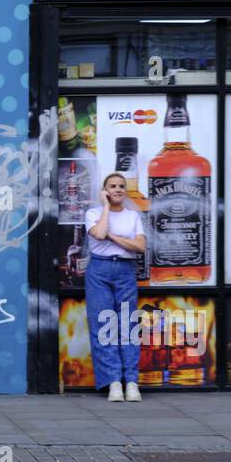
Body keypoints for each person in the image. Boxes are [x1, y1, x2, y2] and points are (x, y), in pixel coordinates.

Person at [84, 172, 147, 402]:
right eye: (112, 186)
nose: (118, 189)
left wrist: (111, 236)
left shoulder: (133, 216)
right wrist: (105, 207)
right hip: (99, 270)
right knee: (104, 325)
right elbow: (98, 233)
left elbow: (140, 247)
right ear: (105, 190)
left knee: (128, 325)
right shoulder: (93, 213)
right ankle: (113, 383)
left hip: (125, 270)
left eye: (121, 186)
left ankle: (131, 382)